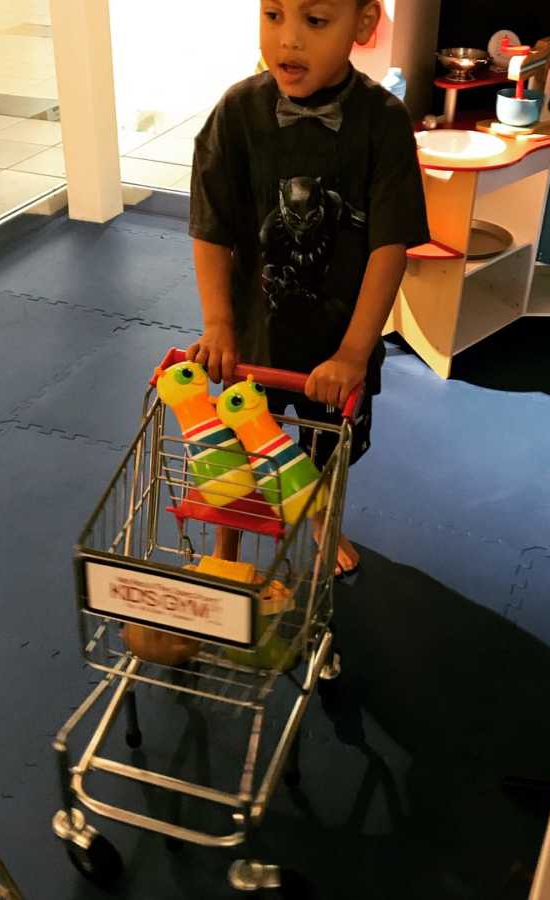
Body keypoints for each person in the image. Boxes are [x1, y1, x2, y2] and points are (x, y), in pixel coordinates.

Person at [187, 0, 429, 574]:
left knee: (326, 451)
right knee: (241, 451)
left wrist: (352, 351)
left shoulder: (383, 121)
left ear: (363, 25)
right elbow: (210, 226)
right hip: (256, 334)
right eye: (273, 16)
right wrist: (219, 323)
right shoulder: (236, 111)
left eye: (314, 22)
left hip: (337, 335)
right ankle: (228, 553)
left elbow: (389, 246)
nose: (288, 40)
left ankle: (321, 517)